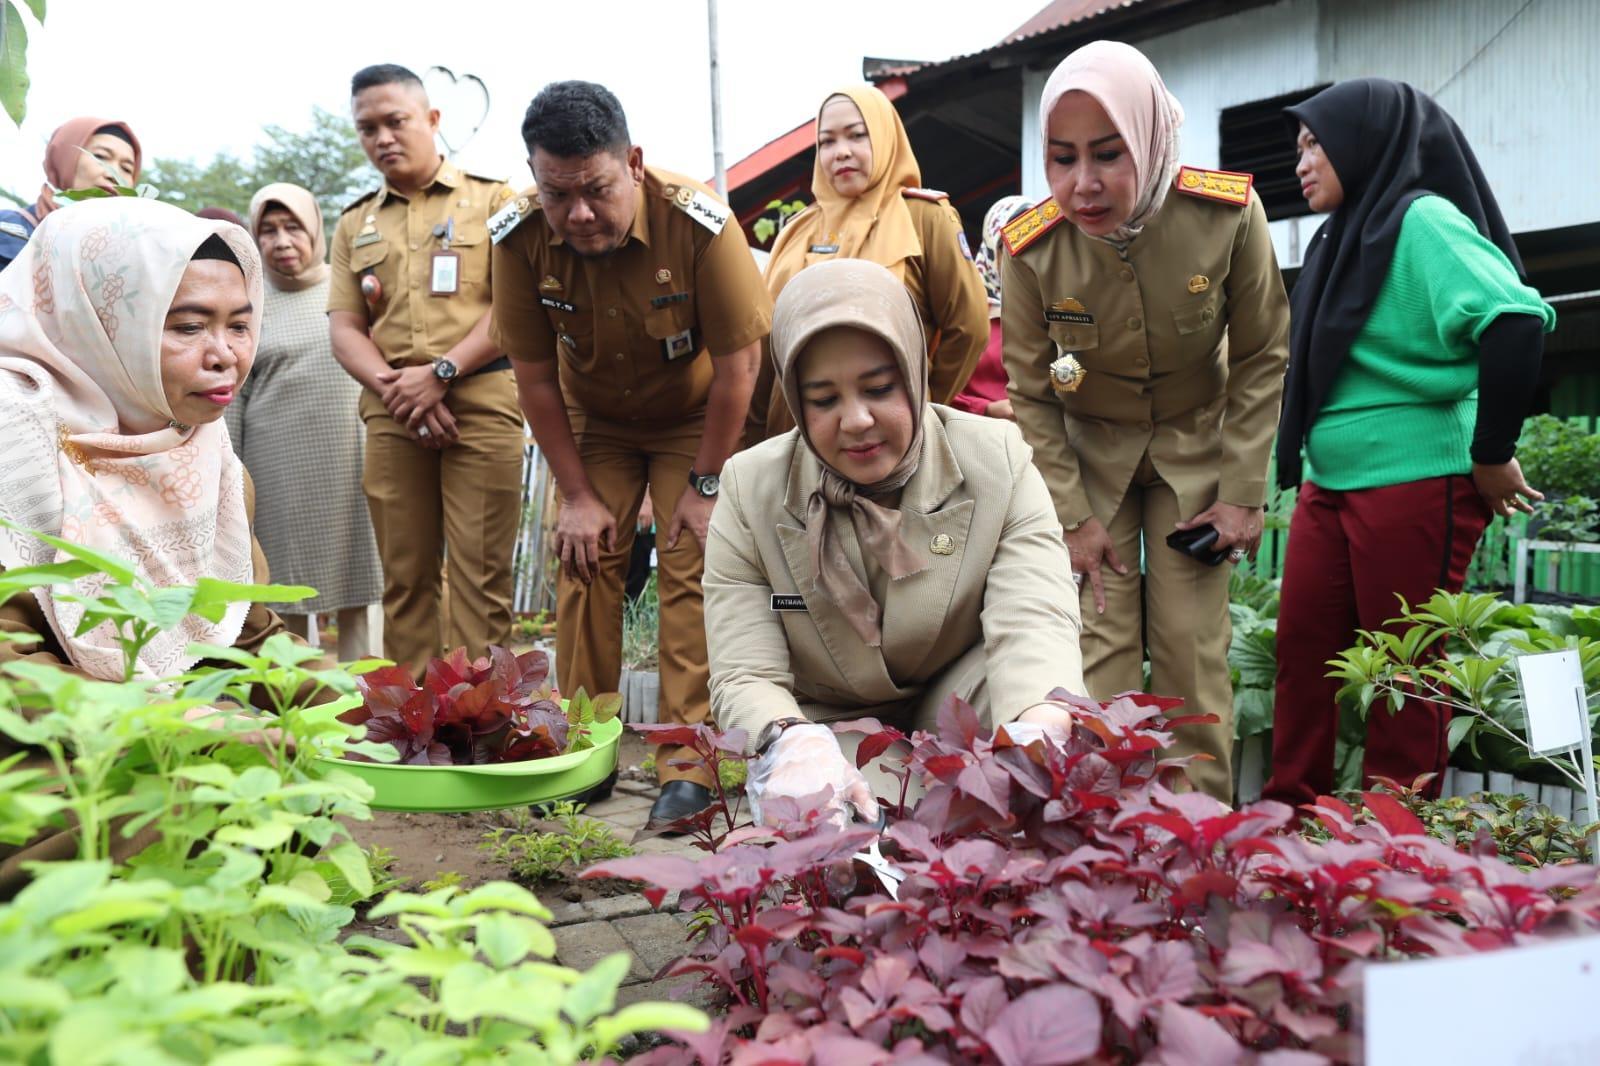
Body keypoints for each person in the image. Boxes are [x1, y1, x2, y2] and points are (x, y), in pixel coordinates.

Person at [1000, 41, 1290, 803]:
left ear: (1152, 139)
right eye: (1061, 158)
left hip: (1196, 456)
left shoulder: (1225, 216)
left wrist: (1242, 494)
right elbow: (1031, 392)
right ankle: (1109, 833)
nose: (1083, 184)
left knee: (1192, 649)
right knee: (1099, 653)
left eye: (1108, 154)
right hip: (1091, 465)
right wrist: (1072, 517)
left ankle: (1200, 832)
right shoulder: (1031, 249)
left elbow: (1262, 354)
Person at [705, 258, 1084, 827]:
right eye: (824, 399)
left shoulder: (995, 460)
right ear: (794, 400)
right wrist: (790, 741)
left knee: (1043, 741)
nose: (857, 420)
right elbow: (745, 670)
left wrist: (1039, 724)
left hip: (961, 699)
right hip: (832, 724)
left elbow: (1033, 618)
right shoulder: (749, 489)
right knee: (849, 832)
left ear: (914, 372)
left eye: (879, 388)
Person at [1263, 80, 1557, 806]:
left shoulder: (1421, 220)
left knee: (1404, 670)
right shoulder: (1342, 237)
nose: (1301, 162)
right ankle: (1290, 822)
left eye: (1315, 143)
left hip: (1416, 477)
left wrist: (1491, 452)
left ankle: (1394, 843)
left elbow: (1516, 318)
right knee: (1303, 654)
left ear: (1364, 143)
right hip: (1332, 480)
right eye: (1298, 147)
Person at [490, 81, 771, 827]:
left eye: (597, 190)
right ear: (535, 177)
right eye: (557, 194)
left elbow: (741, 366)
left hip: (694, 415)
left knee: (690, 561)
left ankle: (689, 764)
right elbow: (534, 377)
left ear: (634, 164)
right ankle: (583, 749)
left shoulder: (699, 223)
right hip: (597, 421)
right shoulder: (517, 237)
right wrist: (577, 497)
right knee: (584, 559)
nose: (579, 214)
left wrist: (705, 487)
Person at [0, 197, 299, 893]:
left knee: (279, 771)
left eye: (240, 324)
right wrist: (172, 719)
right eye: (188, 326)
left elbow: (245, 629)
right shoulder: (15, 448)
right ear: (98, 322)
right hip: (33, 747)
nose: (225, 355)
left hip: (139, 725)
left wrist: (373, 711)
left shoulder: (200, 450)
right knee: (180, 796)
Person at [327, 64, 524, 679]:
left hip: (481, 400)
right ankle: (412, 715)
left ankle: (481, 712)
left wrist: (439, 373)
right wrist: (400, 389)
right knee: (405, 576)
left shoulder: (494, 200)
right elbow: (345, 328)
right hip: (393, 411)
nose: (382, 138)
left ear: (432, 119)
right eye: (367, 129)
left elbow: (513, 307)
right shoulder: (354, 223)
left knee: (479, 575)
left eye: (396, 121)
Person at [744, 85, 988, 443]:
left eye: (857, 135)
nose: (841, 151)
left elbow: (969, 327)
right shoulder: (796, 232)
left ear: (886, 136)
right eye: (827, 142)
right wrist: (753, 438)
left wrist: (924, 407)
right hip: (794, 436)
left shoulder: (923, 217)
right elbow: (766, 345)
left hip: (886, 436)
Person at [226, 183, 381, 662]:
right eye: (268, 230)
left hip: (352, 456)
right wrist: (227, 471)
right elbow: (233, 392)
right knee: (281, 583)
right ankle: (288, 689)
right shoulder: (248, 303)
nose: (281, 241)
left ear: (315, 229)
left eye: (292, 227)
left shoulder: (348, 290)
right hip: (276, 466)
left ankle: (367, 692)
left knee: (361, 577)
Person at [0, 116, 142, 273]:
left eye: (126, 168)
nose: (113, 174)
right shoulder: (7, 229)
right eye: (101, 157)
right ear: (64, 158)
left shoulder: (130, 259)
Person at [949, 194, 1033, 420]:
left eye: (1036, 247)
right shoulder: (964, 310)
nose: (1026, 259)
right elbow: (935, 387)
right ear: (991, 250)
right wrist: (986, 408)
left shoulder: (1063, 308)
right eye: (1013, 247)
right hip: (979, 433)